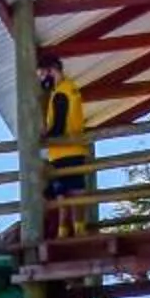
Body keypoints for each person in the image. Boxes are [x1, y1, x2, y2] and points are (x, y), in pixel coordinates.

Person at [37, 55, 90, 237]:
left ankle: (66, 232)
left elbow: (59, 127)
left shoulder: (61, 93)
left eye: (43, 75)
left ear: (52, 70)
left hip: (64, 151)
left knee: (65, 193)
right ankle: (76, 229)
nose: (42, 80)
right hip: (72, 149)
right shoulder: (69, 88)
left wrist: (43, 138)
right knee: (71, 191)